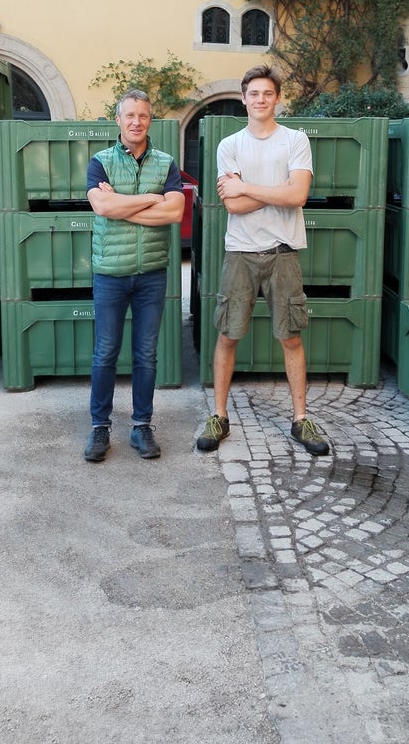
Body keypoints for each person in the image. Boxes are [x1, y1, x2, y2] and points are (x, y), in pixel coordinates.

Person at [197, 65, 330, 457]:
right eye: (253, 93)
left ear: (277, 98)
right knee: (228, 334)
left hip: (283, 252)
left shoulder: (295, 140)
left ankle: (301, 419)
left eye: (267, 93)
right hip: (240, 252)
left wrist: (247, 187)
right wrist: (278, 190)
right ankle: (219, 416)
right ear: (243, 99)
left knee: (291, 336)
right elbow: (232, 205)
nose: (260, 99)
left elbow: (298, 196)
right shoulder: (230, 145)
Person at [84, 89, 185, 463]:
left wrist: (121, 205)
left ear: (150, 120)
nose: (136, 122)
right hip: (110, 273)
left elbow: (175, 213)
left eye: (143, 115)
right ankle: (100, 427)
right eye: (130, 115)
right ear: (119, 120)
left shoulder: (166, 163)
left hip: (151, 274)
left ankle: (142, 426)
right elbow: (101, 206)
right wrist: (152, 198)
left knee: (145, 354)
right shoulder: (101, 162)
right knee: (105, 352)